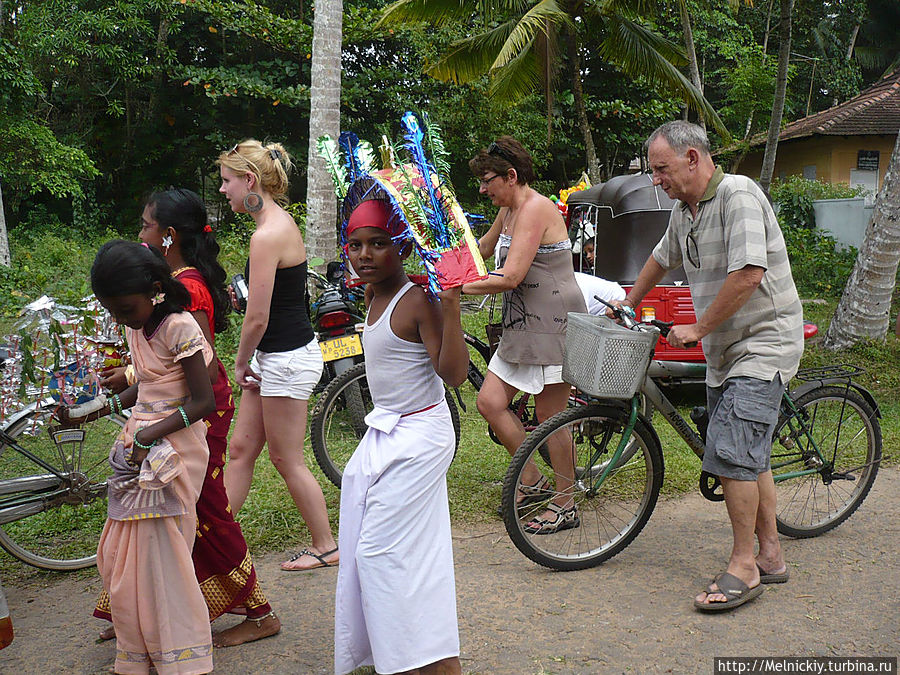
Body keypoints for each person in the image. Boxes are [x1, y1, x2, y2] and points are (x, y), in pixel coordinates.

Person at [613, 121, 803, 612]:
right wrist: (626, 302)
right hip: (726, 349)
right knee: (748, 455)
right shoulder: (686, 210)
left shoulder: (738, 195)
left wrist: (697, 328)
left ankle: (744, 566)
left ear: (693, 158)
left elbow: (748, 275)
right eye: (654, 171)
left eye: (662, 169)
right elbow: (660, 258)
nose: (656, 179)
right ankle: (772, 556)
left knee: (733, 454)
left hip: (763, 341)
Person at [95, 189, 280, 647]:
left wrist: (138, 379)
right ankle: (136, 610)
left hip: (199, 414)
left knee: (206, 511)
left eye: (146, 225)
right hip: (169, 413)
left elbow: (199, 362)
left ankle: (260, 613)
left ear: (168, 236)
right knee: (161, 514)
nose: (140, 233)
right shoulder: (158, 288)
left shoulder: (186, 290)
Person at [66, 240, 216, 674]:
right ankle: (143, 650)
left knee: (165, 557)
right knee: (121, 556)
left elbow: (202, 400)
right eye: (112, 312)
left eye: (125, 310)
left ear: (154, 289)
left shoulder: (180, 326)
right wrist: (90, 412)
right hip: (139, 449)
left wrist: (150, 434)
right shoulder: (138, 324)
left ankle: (182, 657)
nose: (120, 319)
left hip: (176, 451)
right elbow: (146, 387)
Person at [334, 198, 468, 675]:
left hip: (421, 439)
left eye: (378, 244)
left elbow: (453, 374)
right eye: (356, 245)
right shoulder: (372, 295)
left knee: (379, 555)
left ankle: (417, 660)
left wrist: (450, 306)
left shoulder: (416, 299)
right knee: (395, 554)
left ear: (404, 247)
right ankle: (417, 658)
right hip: (389, 434)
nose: (365, 254)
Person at [217, 140, 337, 571]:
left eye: (227, 181)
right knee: (241, 449)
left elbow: (257, 318)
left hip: (284, 358)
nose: (224, 190)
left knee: (286, 459)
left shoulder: (267, 234)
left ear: (249, 181)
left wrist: (239, 360)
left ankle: (326, 545)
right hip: (276, 355)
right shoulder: (273, 225)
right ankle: (213, 539)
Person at [461, 136, 587, 533]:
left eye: (487, 181)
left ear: (511, 176)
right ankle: (531, 479)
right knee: (489, 402)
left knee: (551, 416)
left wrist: (457, 289)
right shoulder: (510, 209)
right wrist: (441, 249)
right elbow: (480, 250)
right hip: (521, 322)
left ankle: (566, 504)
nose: (483, 190)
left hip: (553, 321)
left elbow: (511, 275)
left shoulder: (535, 209)